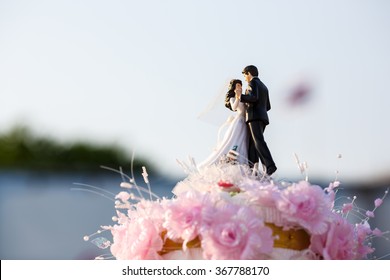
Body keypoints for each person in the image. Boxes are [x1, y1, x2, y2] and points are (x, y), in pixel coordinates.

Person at [197, 79, 249, 169]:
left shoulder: (243, 97)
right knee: (234, 140)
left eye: (240, 85)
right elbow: (234, 107)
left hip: (244, 121)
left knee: (243, 141)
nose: (240, 87)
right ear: (234, 88)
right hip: (239, 122)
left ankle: (242, 162)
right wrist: (237, 97)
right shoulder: (234, 98)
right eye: (238, 86)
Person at [236, 65, 277, 176]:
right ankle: (252, 169)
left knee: (258, 141)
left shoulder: (252, 83)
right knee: (253, 144)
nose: (245, 78)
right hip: (262, 117)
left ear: (249, 73)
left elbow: (253, 98)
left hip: (254, 116)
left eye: (245, 75)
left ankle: (270, 165)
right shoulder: (264, 86)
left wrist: (241, 96)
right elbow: (268, 106)